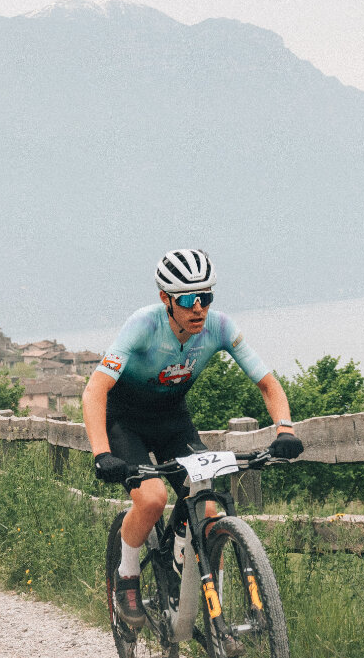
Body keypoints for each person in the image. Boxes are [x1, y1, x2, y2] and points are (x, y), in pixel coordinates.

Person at [84, 250, 303, 626]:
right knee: (153, 499)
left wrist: (285, 428)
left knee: (207, 507)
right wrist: (102, 453)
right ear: (165, 299)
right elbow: (94, 391)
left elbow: (268, 384)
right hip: (126, 423)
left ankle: (193, 590)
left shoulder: (219, 328)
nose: (198, 307)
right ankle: (128, 575)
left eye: (206, 296)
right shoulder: (143, 325)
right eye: (187, 299)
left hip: (173, 422)